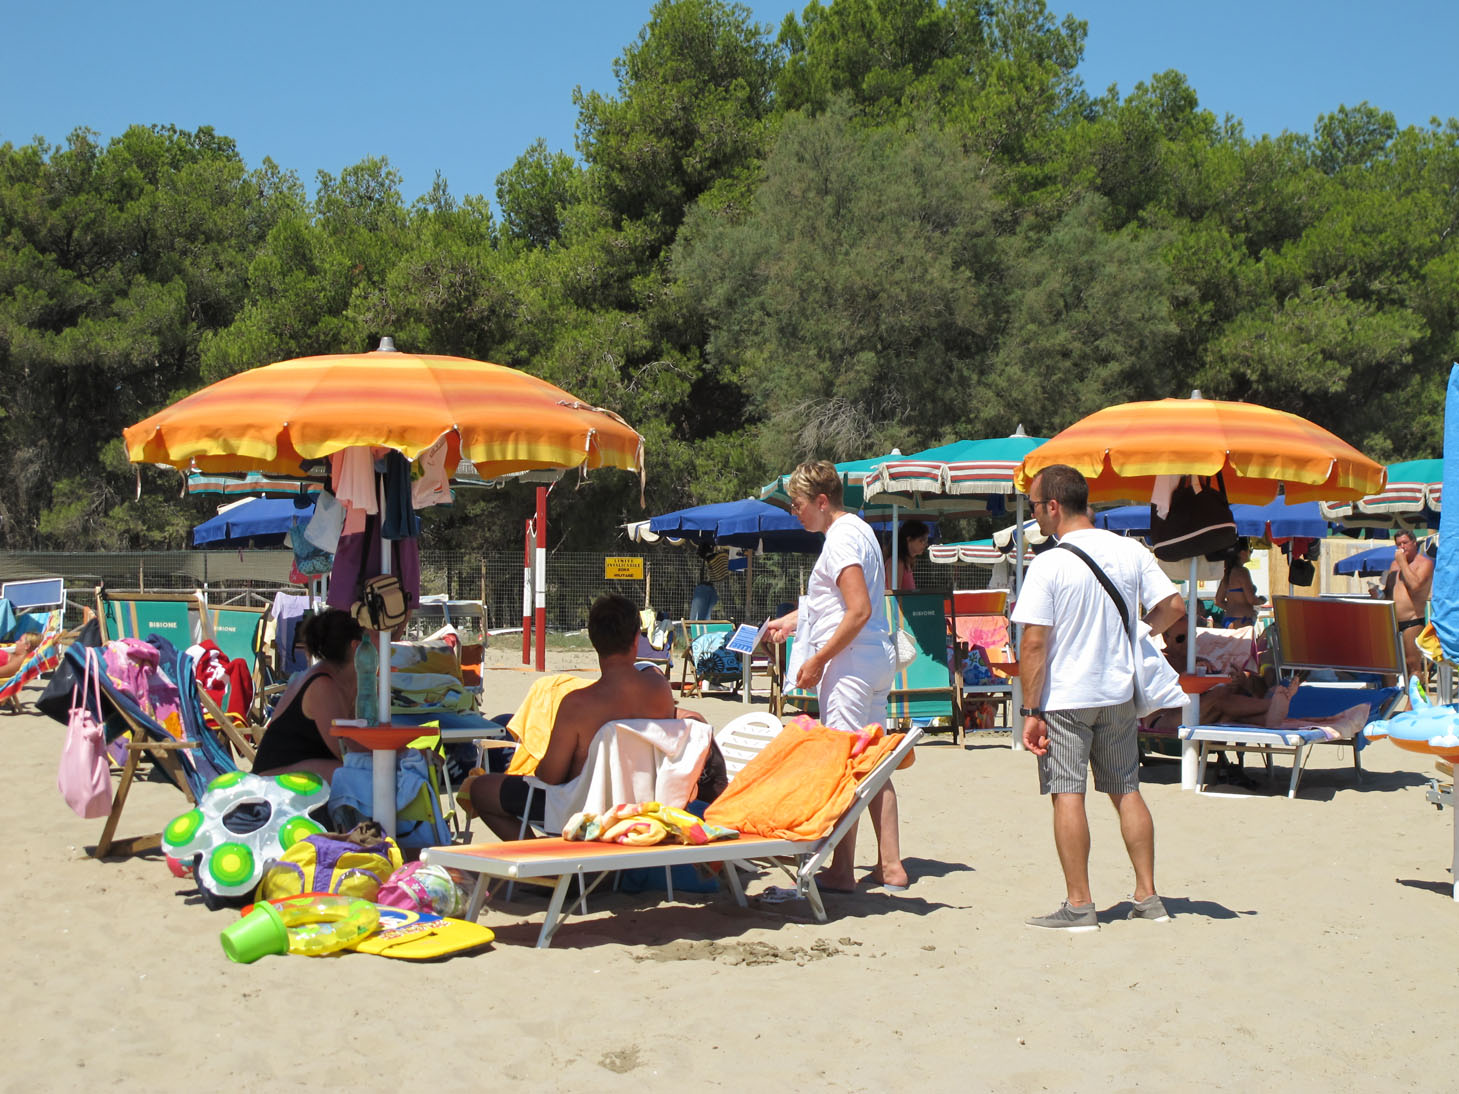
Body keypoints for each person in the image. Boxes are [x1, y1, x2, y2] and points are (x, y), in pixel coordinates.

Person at [1012, 464, 1186, 930]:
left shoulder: (1048, 562)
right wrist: (1140, 634)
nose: (1035, 517)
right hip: (1117, 691)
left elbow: (1033, 643)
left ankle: (1080, 904)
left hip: (1067, 695)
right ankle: (1148, 896)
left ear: (1053, 506)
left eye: (1034, 507)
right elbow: (1174, 605)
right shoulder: (1129, 550)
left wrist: (1030, 710)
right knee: (1126, 790)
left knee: (1067, 793)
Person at [764, 460, 906, 891]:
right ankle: (891, 864)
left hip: (851, 664)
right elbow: (839, 605)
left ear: (822, 502)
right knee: (874, 764)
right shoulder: (857, 529)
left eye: (799, 504)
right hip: (874, 659)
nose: (795, 512)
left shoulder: (841, 539)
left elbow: (857, 609)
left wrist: (818, 659)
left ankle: (842, 869)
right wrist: (793, 621)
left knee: (844, 764)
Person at [470, 593, 678, 841]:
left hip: (583, 812)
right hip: (644, 806)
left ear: (593, 640)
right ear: (636, 638)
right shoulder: (660, 689)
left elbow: (550, 777)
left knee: (481, 789)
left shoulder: (578, 704)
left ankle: (541, 865)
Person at [252, 609, 364, 782]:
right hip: (271, 782)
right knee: (353, 775)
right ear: (356, 646)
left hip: (289, 770)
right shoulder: (322, 685)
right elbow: (345, 751)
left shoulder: (324, 676)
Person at [1384, 530, 1433, 677]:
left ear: (1414, 543)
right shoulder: (1394, 565)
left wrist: (1402, 563)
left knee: (1412, 664)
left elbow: (1414, 586)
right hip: (1391, 621)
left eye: (1405, 543)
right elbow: (1389, 591)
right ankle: (1389, 698)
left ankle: (1413, 700)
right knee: (1388, 666)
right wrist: (1378, 593)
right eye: (1398, 544)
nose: (1402, 547)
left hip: (1412, 621)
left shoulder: (1424, 563)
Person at [1214, 540, 1264, 628]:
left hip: (1228, 619)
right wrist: (1262, 600)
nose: (1251, 553)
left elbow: (1218, 601)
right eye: (1250, 550)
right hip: (1242, 621)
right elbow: (1251, 600)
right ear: (1242, 553)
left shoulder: (1228, 573)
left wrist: (1232, 607)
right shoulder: (1242, 572)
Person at [886, 520, 930, 591]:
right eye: (922, 540)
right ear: (909, 539)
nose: (925, 544)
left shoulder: (904, 562)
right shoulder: (897, 563)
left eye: (926, 540)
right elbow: (895, 596)